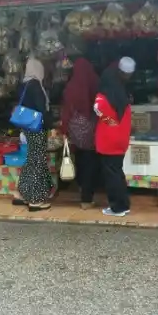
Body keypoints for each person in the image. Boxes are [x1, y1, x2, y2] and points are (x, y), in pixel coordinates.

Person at [94, 57, 135, 217]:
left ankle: (117, 207)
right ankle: (124, 204)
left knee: (112, 176)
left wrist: (110, 123)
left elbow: (99, 111)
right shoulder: (124, 99)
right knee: (118, 173)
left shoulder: (101, 98)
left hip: (108, 141)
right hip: (121, 140)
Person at [13, 57, 53, 212]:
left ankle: (21, 194)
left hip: (28, 127)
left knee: (31, 159)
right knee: (36, 161)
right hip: (36, 128)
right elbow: (41, 109)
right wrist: (52, 124)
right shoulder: (36, 86)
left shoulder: (24, 84)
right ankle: (35, 200)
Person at [61, 58, 100, 210]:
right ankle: (87, 198)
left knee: (79, 158)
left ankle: (80, 188)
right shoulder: (95, 81)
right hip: (91, 127)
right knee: (91, 160)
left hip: (75, 128)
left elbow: (66, 110)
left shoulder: (71, 86)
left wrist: (64, 129)